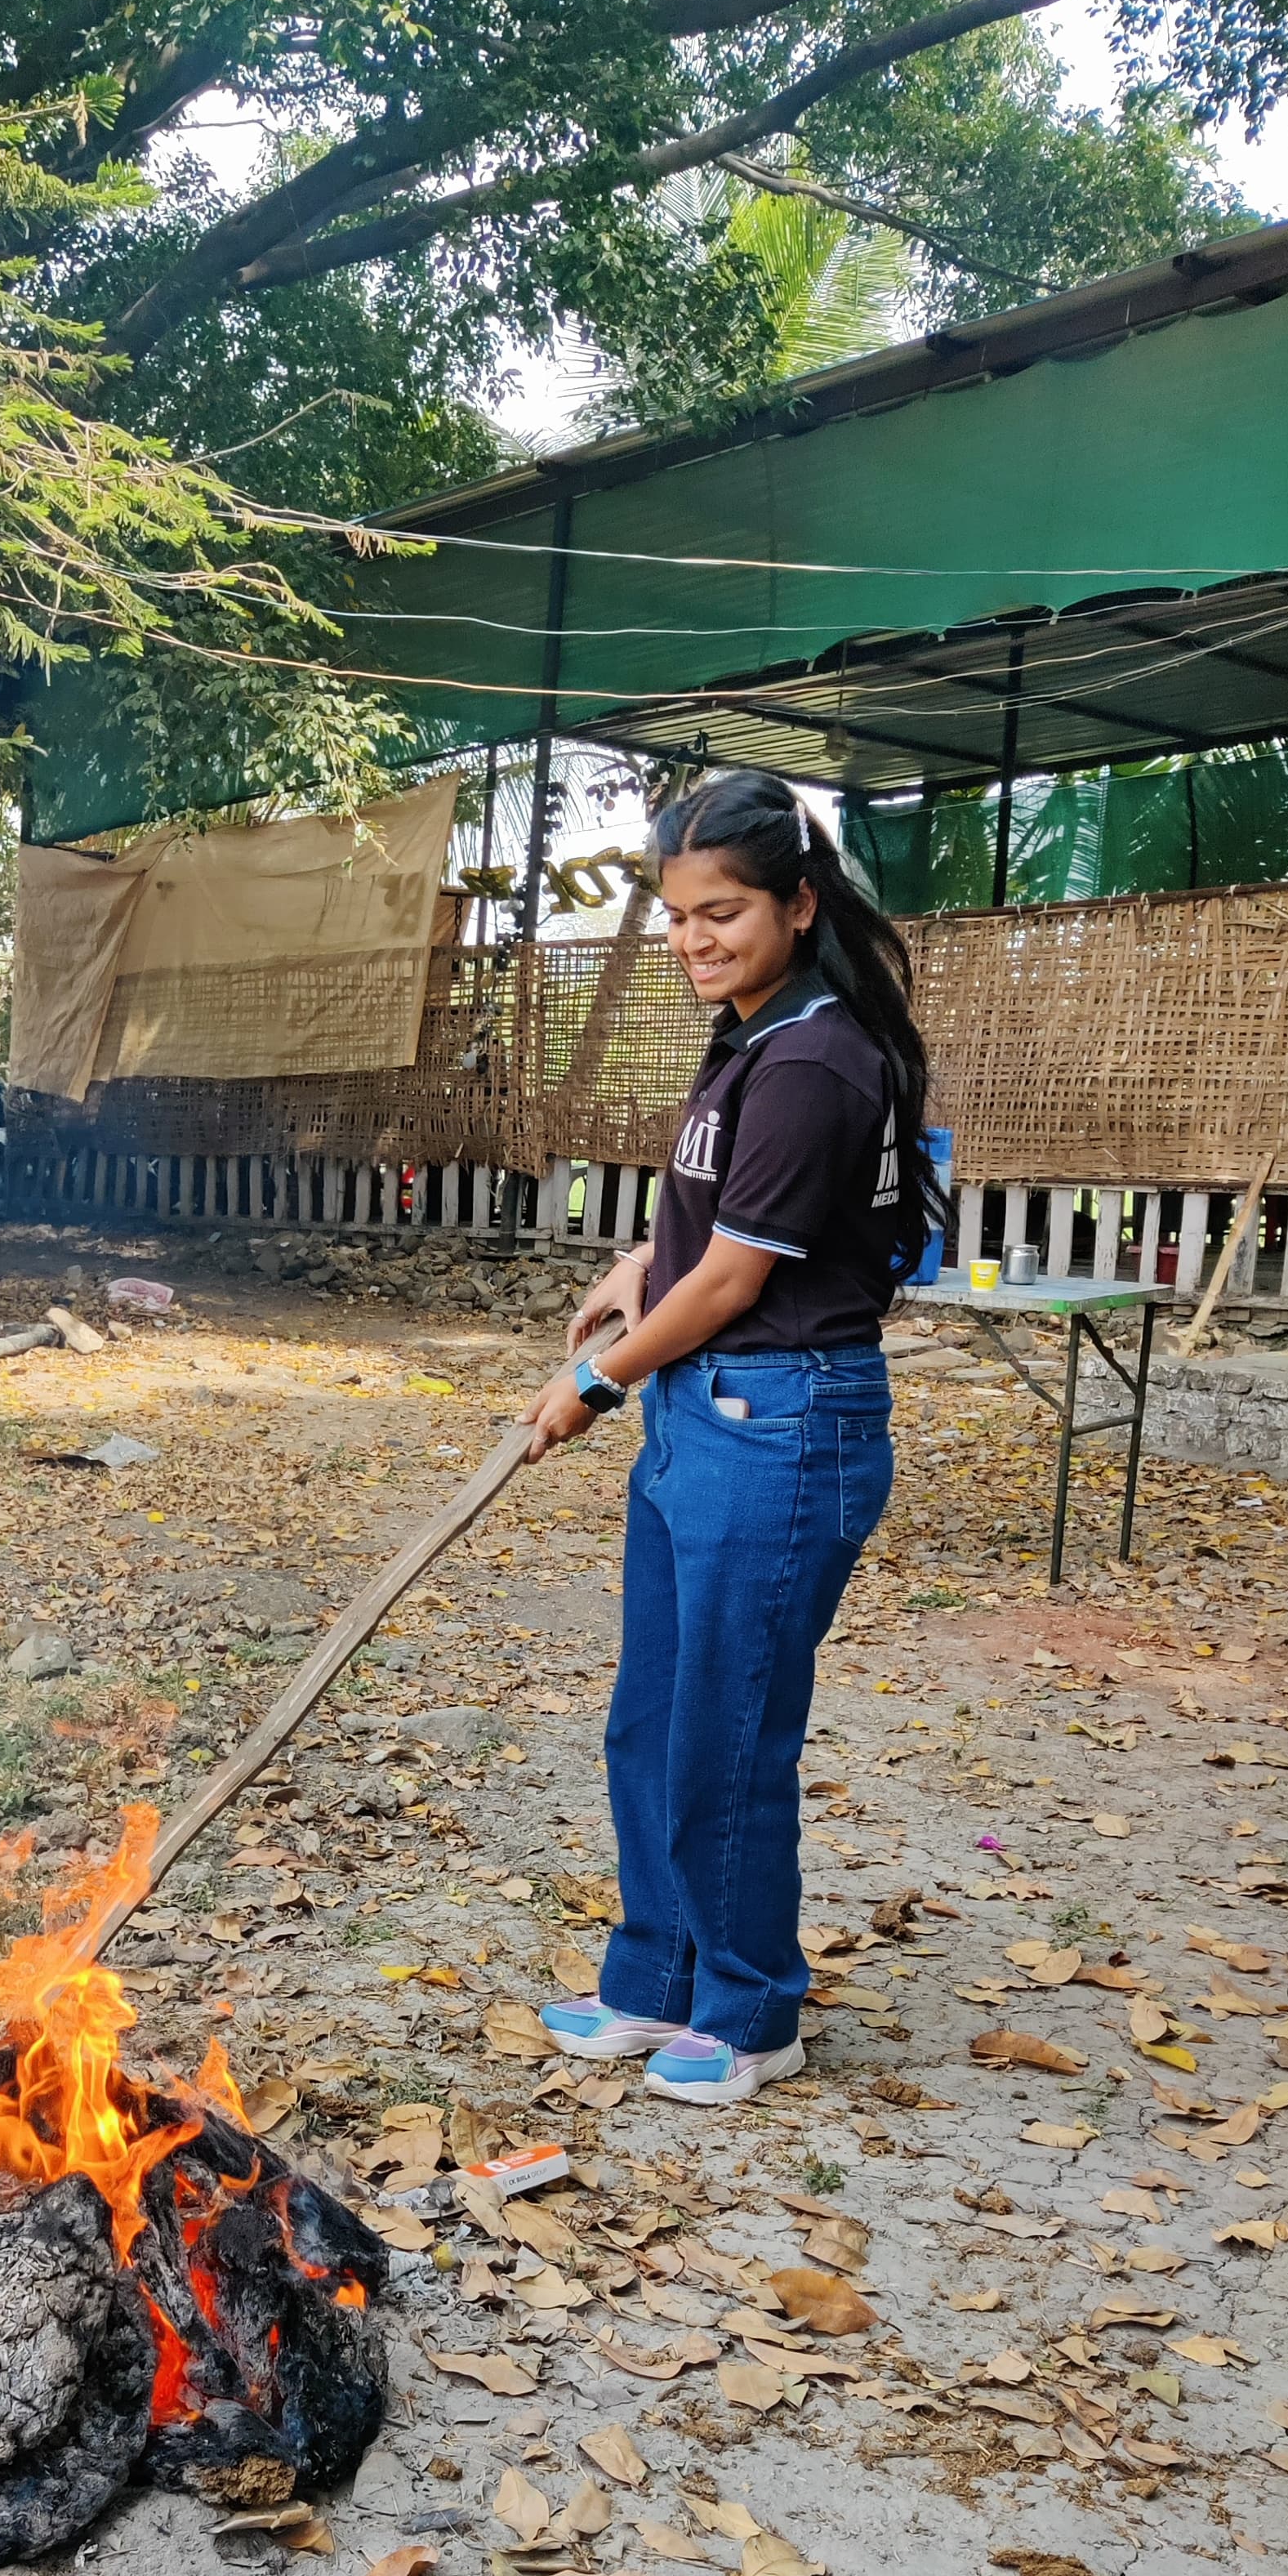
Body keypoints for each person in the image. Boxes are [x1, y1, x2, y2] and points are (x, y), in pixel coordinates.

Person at [519, 770, 943, 2106]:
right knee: (650, 1721)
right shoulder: (755, 1030)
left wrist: (591, 1380)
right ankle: (654, 1980)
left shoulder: (820, 1055)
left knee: (729, 1732)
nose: (698, 939)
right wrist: (646, 1259)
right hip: (702, 1411)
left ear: (798, 902)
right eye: (681, 916)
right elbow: (723, 1225)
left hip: (785, 1427)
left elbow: (740, 1281)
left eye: (727, 913)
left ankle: (754, 2007)